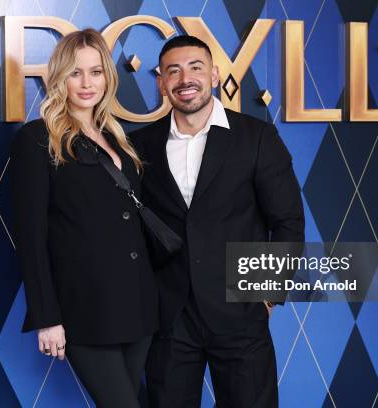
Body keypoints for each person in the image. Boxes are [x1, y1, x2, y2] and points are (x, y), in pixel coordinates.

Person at [129, 35, 305, 408]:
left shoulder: (256, 137)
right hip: (170, 317)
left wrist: (268, 297)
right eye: (172, 71)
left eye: (195, 67)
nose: (184, 78)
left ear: (214, 75)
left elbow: (288, 221)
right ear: (161, 82)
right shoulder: (139, 145)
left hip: (241, 311)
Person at [9, 29, 158, 408]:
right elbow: (31, 236)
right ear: (59, 78)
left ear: (108, 76)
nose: (87, 83)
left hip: (138, 304)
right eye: (76, 73)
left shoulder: (116, 135)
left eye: (96, 72)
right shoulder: (37, 139)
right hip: (85, 307)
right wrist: (47, 317)